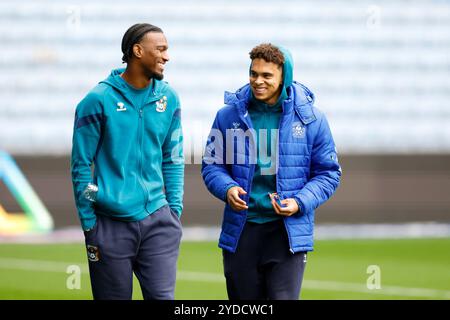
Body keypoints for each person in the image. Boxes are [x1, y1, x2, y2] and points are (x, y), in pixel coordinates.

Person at [201, 43, 341, 300]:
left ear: (283, 78)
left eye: (267, 76)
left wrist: (299, 202)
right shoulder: (227, 116)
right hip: (241, 231)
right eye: (254, 74)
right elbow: (212, 166)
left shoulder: (312, 120)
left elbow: (329, 173)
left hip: (286, 232)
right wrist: (228, 188)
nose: (258, 81)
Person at [71, 23, 184, 300]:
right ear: (137, 51)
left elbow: (173, 158)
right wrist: (90, 219)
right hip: (109, 226)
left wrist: (174, 209)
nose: (166, 56)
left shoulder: (168, 98)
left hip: (159, 221)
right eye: (160, 49)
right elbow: (81, 167)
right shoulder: (97, 100)